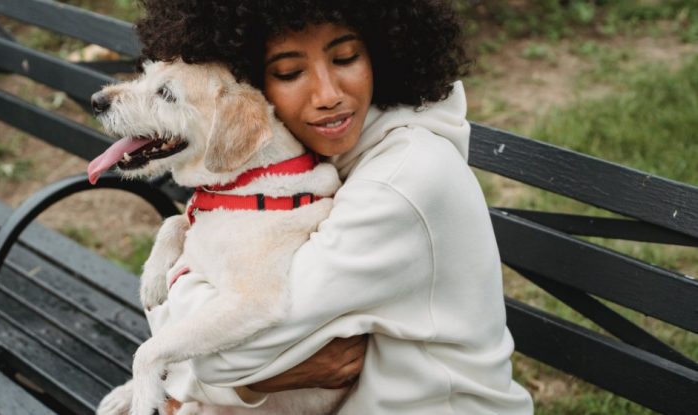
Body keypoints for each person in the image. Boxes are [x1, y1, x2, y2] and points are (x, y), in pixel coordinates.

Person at [136, 0, 534, 413]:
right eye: (290, 72)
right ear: (253, 87)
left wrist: (184, 363)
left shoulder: (402, 179)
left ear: (381, 53)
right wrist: (261, 377)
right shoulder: (322, 155)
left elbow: (241, 337)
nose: (327, 95)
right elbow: (229, 345)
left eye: (346, 58)